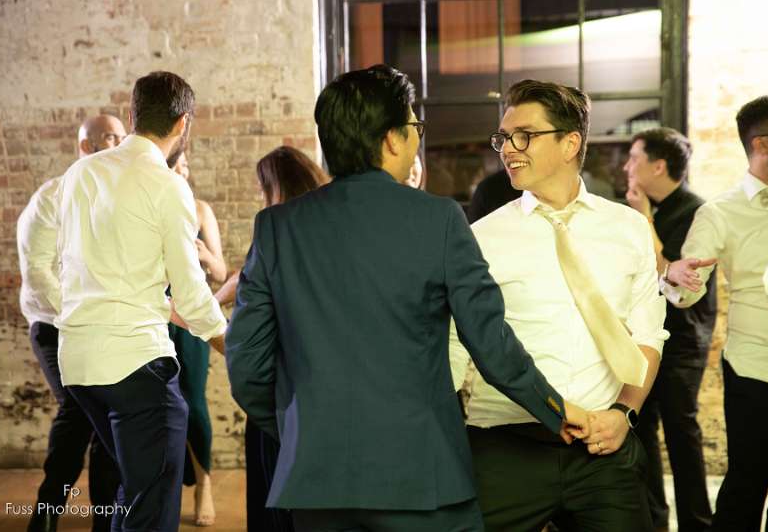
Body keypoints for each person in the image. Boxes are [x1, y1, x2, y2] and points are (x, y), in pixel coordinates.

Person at [224, 64, 590, 532]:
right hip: (423, 477)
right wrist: (556, 410)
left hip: (319, 480)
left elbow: (246, 365)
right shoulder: (440, 220)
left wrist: (302, 430)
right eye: (415, 126)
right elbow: (492, 345)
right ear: (392, 140)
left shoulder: (276, 228)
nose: (418, 137)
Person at [450, 79, 668, 532]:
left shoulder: (628, 228)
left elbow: (648, 334)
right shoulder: (479, 238)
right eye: (504, 137)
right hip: (504, 445)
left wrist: (625, 414)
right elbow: (457, 348)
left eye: (524, 136)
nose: (508, 149)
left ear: (570, 143)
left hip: (602, 448)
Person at [56, 71, 227, 532]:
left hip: (79, 365)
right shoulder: (167, 185)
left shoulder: (78, 173)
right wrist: (232, 346)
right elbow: (192, 293)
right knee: (150, 511)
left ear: (132, 115)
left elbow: (74, 266)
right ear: (183, 123)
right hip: (134, 364)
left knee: (132, 496)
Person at [664, 95, 768, 532]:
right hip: (755, 368)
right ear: (763, 144)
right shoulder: (719, 211)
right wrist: (679, 278)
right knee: (747, 485)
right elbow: (684, 294)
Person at [18, 114, 125, 532]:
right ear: (86, 146)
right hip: (53, 322)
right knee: (79, 410)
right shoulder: (51, 198)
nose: (120, 145)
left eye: (123, 137)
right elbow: (38, 272)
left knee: (107, 414)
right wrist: (84, 314)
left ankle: (104, 518)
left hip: (99, 325)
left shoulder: (115, 198)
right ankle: (46, 514)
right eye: (111, 137)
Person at [224, 145, 327, 532]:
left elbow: (246, 356)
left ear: (275, 188)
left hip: (281, 402)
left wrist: (270, 417)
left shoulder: (272, 235)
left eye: (262, 188)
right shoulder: (335, 237)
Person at [624, 127, 717, 532]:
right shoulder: (639, 209)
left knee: (681, 433)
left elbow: (672, 276)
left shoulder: (698, 211)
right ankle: (653, 520)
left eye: (634, 159)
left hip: (682, 340)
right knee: (641, 428)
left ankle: (697, 522)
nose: (626, 167)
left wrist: (644, 219)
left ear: (658, 166)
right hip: (644, 337)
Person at [164, 151, 226, 526]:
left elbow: (221, 272)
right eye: (174, 165)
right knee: (156, 402)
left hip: (190, 316)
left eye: (185, 165)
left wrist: (205, 256)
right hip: (154, 312)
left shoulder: (201, 210)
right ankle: (165, 489)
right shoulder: (151, 204)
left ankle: (204, 484)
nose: (181, 171)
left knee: (193, 400)